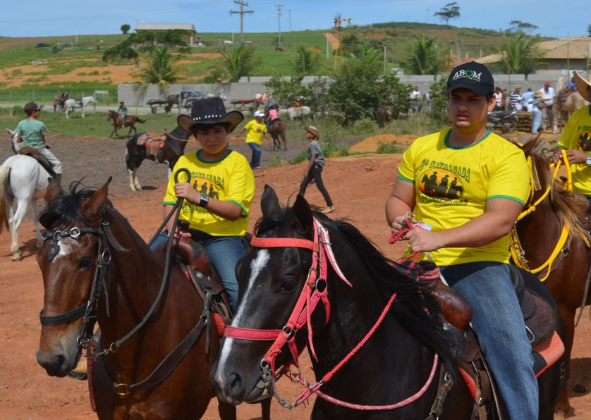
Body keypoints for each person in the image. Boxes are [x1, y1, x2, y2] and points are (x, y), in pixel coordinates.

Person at [385, 61, 537, 419]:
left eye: (473, 99)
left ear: (492, 102)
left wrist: (437, 239)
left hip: (478, 264)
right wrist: (398, 217)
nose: (463, 107)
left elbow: (500, 221)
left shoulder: (507, 157)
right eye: (456, 98)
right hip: (418, 259)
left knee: (512, 353)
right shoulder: (422, 147)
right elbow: (397, 199)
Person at [150, 97, 255, 312]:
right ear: (195, 136)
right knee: (139, 269)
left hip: (221, 237)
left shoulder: (237, 163)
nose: (212, 138)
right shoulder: (185, 161)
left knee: (237, 289)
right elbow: (170, 202)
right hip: (183, 232)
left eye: (217, 131)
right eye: (204, 133)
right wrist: (172, 231)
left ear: (227, 131)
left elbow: (235, 210)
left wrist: (199, 198)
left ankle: (239, 340)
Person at [552, 71, 591, 208]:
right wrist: (558, 152)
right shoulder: (578, 115)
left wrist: (586, 158)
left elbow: (585, 157)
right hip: (576, 190)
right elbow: (563, 144)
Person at [15, 102, 62, 184]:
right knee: (57, 163)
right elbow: (43, 141)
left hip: (25, 150)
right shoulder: (40, 124)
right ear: (33, 112)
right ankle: (57, 185)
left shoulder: (21, 123)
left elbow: (18, 140)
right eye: (38, 111)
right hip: (39, 149)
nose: (39, 112)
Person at [299, 126, 334, 214]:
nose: (306, 134)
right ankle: (299, 205)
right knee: (303, 185)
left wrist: (307, 169)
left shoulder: (313, 144)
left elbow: (314, 157)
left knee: (320, 186)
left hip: (315, 166)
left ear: (312, 135)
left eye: (308, 132)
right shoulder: (313, 143)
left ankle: (330, 205)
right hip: (314, 167)